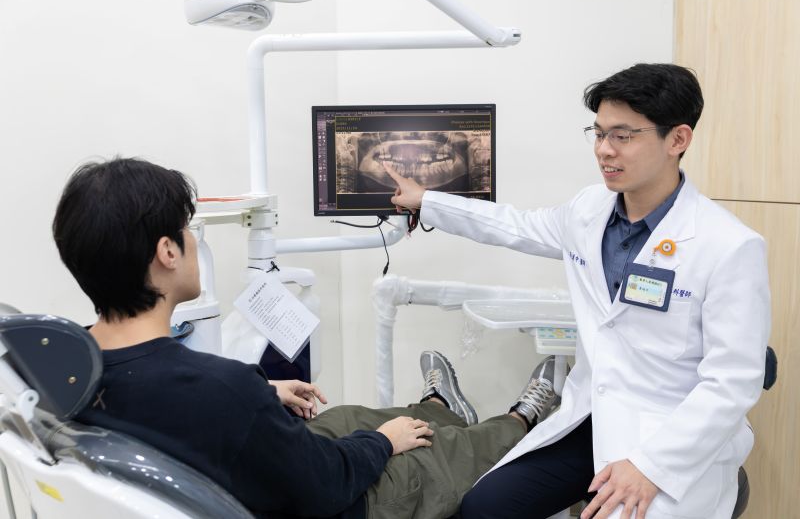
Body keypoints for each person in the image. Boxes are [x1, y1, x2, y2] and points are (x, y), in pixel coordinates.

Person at [51, 157, 560, 519]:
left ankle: (440, 406)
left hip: (246, 477)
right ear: (167, 252)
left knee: (346, 417)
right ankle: (521, 420)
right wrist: (383, 443)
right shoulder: (222, 389)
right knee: (437, 451)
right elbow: (326, 487)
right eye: (187, 229)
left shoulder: (63, 371)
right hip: (333, 502)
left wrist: (261, 392)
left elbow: (170, 401)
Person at [383, 63, 771, 519]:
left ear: (677, 140)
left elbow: (732, 382)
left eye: (623, 135)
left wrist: (651, 466)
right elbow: (515, 225)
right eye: (599, 133)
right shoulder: (589, 210)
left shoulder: (728, 246)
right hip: (591, 416)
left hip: (671, 436)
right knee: (483, 508)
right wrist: (427, 201)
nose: (604, 150)